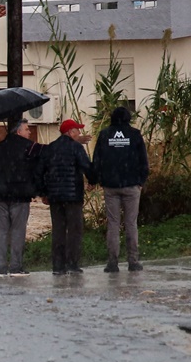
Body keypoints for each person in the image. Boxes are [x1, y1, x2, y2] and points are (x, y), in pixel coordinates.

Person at [93, 106, 149, 273]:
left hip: (111, 186)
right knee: (131, 223)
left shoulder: (104, 135)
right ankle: (133, 261)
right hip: (131, 185)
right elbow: (143, 160)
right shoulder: (135, 134)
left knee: (113, 224)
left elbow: (97, 160)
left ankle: (112, 262)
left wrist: (97, 179)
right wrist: (141, 181)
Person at [36, 119, 96, 275]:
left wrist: (43, 193)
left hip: (55, 198)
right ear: (70, 132)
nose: (79, 133)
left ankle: (58, 266)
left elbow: (39, 172)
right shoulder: (76, 148)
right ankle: (72, 264)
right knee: (75, 230)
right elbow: (86, 166)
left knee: (58, 231)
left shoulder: (50, 148)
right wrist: (93, 181)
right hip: (73, 197)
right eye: (77, 130)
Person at [0, 118, 43, 278]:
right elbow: (38, 166)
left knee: (2, 231)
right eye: (27, 129)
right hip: (20, 195)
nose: (29, 132)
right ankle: (16, 267)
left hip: (1, 195)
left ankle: (0, 267)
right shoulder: (29, 147)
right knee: (18, 231)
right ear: (18, 132)